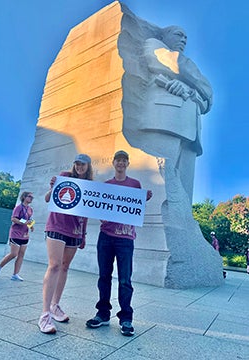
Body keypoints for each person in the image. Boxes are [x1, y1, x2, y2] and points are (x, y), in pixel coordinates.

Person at [137, 26, 213, 203]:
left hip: (191, 131)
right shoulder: (153, 44)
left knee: (183, 196)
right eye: (179, 35)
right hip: (164, 121)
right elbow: (176, 63)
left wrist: (191, 90)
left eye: (186, 37)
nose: (184, 40)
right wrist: (202, 88)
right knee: (161, 187)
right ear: (164, 36)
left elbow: (208, 100)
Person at [86, 150, 152, 336]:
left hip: (126, 238)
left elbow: (136, 209)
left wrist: (143, 199)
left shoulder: (135, 184)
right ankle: (103, 314)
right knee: (104, 277)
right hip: (106, 236)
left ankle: (126, 318)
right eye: (118, 160)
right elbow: (99, 210)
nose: (121, 163)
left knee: (125, 280)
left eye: (124, 161)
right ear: (113, 163)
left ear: (127, 164)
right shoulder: (107, 185)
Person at [38, 153, 93, 334]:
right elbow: (48, 198)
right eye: (77, 163)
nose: (79, 167)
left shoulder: (90, 185)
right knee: (54, 265)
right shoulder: (64, 176)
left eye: (83, 164)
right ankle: (45, 314)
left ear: (88, 166)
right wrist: (52, 188)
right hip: (56, 225)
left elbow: (85, 211)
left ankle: (55, 305)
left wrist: (83, 234)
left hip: (75, 230)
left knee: (64, 267)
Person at [0, 191, 34, 281]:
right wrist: (24, 222)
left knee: (21, 254)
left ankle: (15, 274)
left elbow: (29, 220)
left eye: (32, 197)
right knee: (14, 254)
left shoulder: (30, 209)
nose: (31, 198)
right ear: (24, 197)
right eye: (30, 196)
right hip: (16, 233)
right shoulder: (18, 208)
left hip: (25, 235)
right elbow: (13, 218)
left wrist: (31, 226)